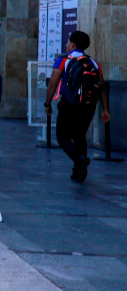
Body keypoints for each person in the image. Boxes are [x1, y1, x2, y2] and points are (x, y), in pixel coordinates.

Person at [46, 31, 111, 183]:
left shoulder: (63, 61)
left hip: (70, 104)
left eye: (68, 42)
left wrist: (48, 103)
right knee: (79, 135)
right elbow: (101, 88)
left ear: (73, 45)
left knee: (62, 137)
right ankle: (78, 171)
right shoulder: (94, 63)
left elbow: (52, 84)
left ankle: (79, 160)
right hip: (89, 106)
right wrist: (105, 109)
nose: (66, 45)